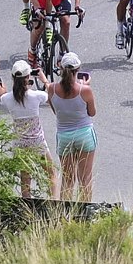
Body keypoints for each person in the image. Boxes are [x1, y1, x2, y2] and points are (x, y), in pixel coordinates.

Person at [1, 59, 57, 198]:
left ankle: (27, 205)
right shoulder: (37, 95)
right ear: (28, 77)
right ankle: (54, 203)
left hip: (20, 143)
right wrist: (44, 80)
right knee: (50, 173)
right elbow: (51, 95)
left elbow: (3, 95)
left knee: (25, 179)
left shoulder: (7, 98)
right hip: (37, 142)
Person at [47, 52, 96, 201]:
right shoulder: (85, 90)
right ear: (78, 69)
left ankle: (64, 211)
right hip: (84, 135)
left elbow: (56, 111)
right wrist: (84, 86)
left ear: (60, 68)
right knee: (85, 179)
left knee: (68, 179)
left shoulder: (52, 89)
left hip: (64, 136)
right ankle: (84, 211)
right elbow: (92, 112)